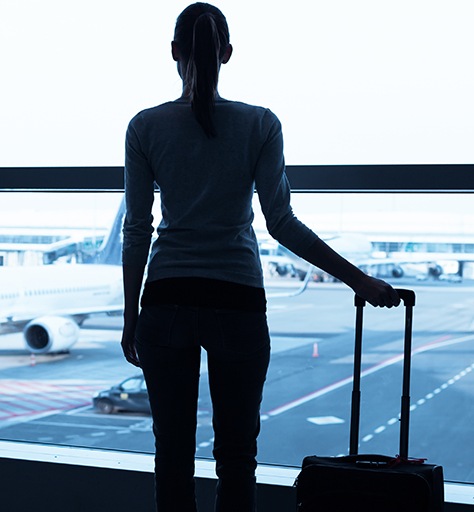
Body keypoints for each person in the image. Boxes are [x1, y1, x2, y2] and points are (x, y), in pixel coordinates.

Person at [119, 3, 400, 511]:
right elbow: (282, 223)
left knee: (172, 457)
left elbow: (137, 229)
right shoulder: (261, 124)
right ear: (227, 54)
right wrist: (359, 280)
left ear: (174, 54)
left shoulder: (145, 127)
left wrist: (130, 316)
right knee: (237, 459)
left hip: (166, 302)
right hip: (238, 302)